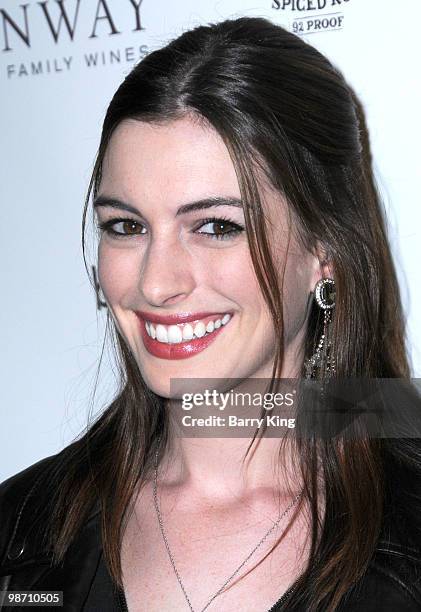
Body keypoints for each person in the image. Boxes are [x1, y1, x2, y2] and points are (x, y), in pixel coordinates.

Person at [1, 15, 421, 612]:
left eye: (216, 227)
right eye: (126, 226)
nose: (155, 282)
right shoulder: (21, 531)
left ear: (325, 250)